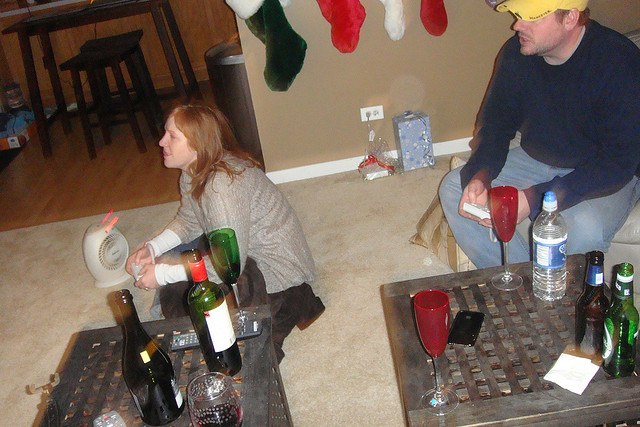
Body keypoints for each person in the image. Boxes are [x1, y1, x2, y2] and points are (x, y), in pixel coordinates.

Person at [439, 0, 640, 269]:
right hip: (536, 160)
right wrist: (480, 174)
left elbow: (618, 162)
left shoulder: (619, 61)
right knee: (454, 189)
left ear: (570, 18)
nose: (517, 25)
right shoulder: (516, 52)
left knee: (582, 227)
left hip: (601, 173)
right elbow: (496, 124)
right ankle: (521, 283)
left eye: (532, 18)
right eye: (518, 14)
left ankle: (549, 288)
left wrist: (534, 198)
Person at [126, 103, 325, 362]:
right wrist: (152, 248)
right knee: (179, 272)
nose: (161, 142)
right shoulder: (192, 171)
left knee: (230, 333)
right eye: (165, 133)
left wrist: (162, 274)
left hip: (278, 267)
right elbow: (189, 220)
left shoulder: (222, 189)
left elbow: (229, 264)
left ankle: (298, 300)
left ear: (197, 144)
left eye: (172, 136)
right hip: (239, 248)